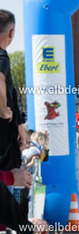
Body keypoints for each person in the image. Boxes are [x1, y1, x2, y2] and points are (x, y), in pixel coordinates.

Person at [0, 9, 28, 172]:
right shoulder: (1, 56)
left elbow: (11, 95)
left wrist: (19, 128)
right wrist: (4, 111)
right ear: (11, 32)